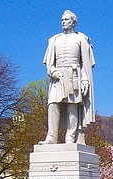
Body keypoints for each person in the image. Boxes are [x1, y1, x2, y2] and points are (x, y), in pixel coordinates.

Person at [39, 10, 95, 145]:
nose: (63, 22)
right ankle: (51, 136)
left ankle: (70, 136)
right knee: (53, 104)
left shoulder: (80, 39)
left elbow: (85, 63)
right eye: (62, 20)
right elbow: (49, 62)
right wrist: (52, 71)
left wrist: (85, 79)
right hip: (57, 76)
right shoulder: (54, 40)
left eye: (66, 20)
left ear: (73, 22)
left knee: (72, 105)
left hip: (74, 75)